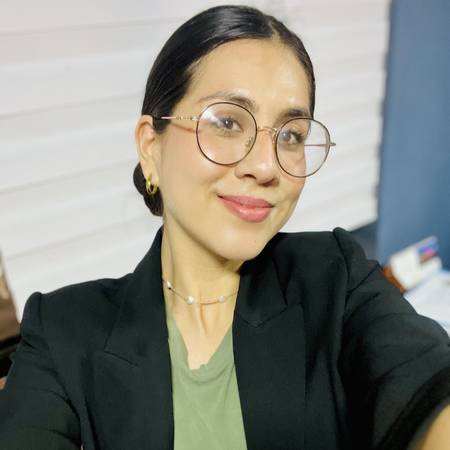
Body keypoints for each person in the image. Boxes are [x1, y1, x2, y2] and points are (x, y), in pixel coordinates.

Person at [0, 4, 449, 450]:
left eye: (290, 135)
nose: (265, 166)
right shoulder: (62, 330)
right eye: (228, 122)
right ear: (151, 147)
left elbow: (427, 382)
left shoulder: (336, 279)